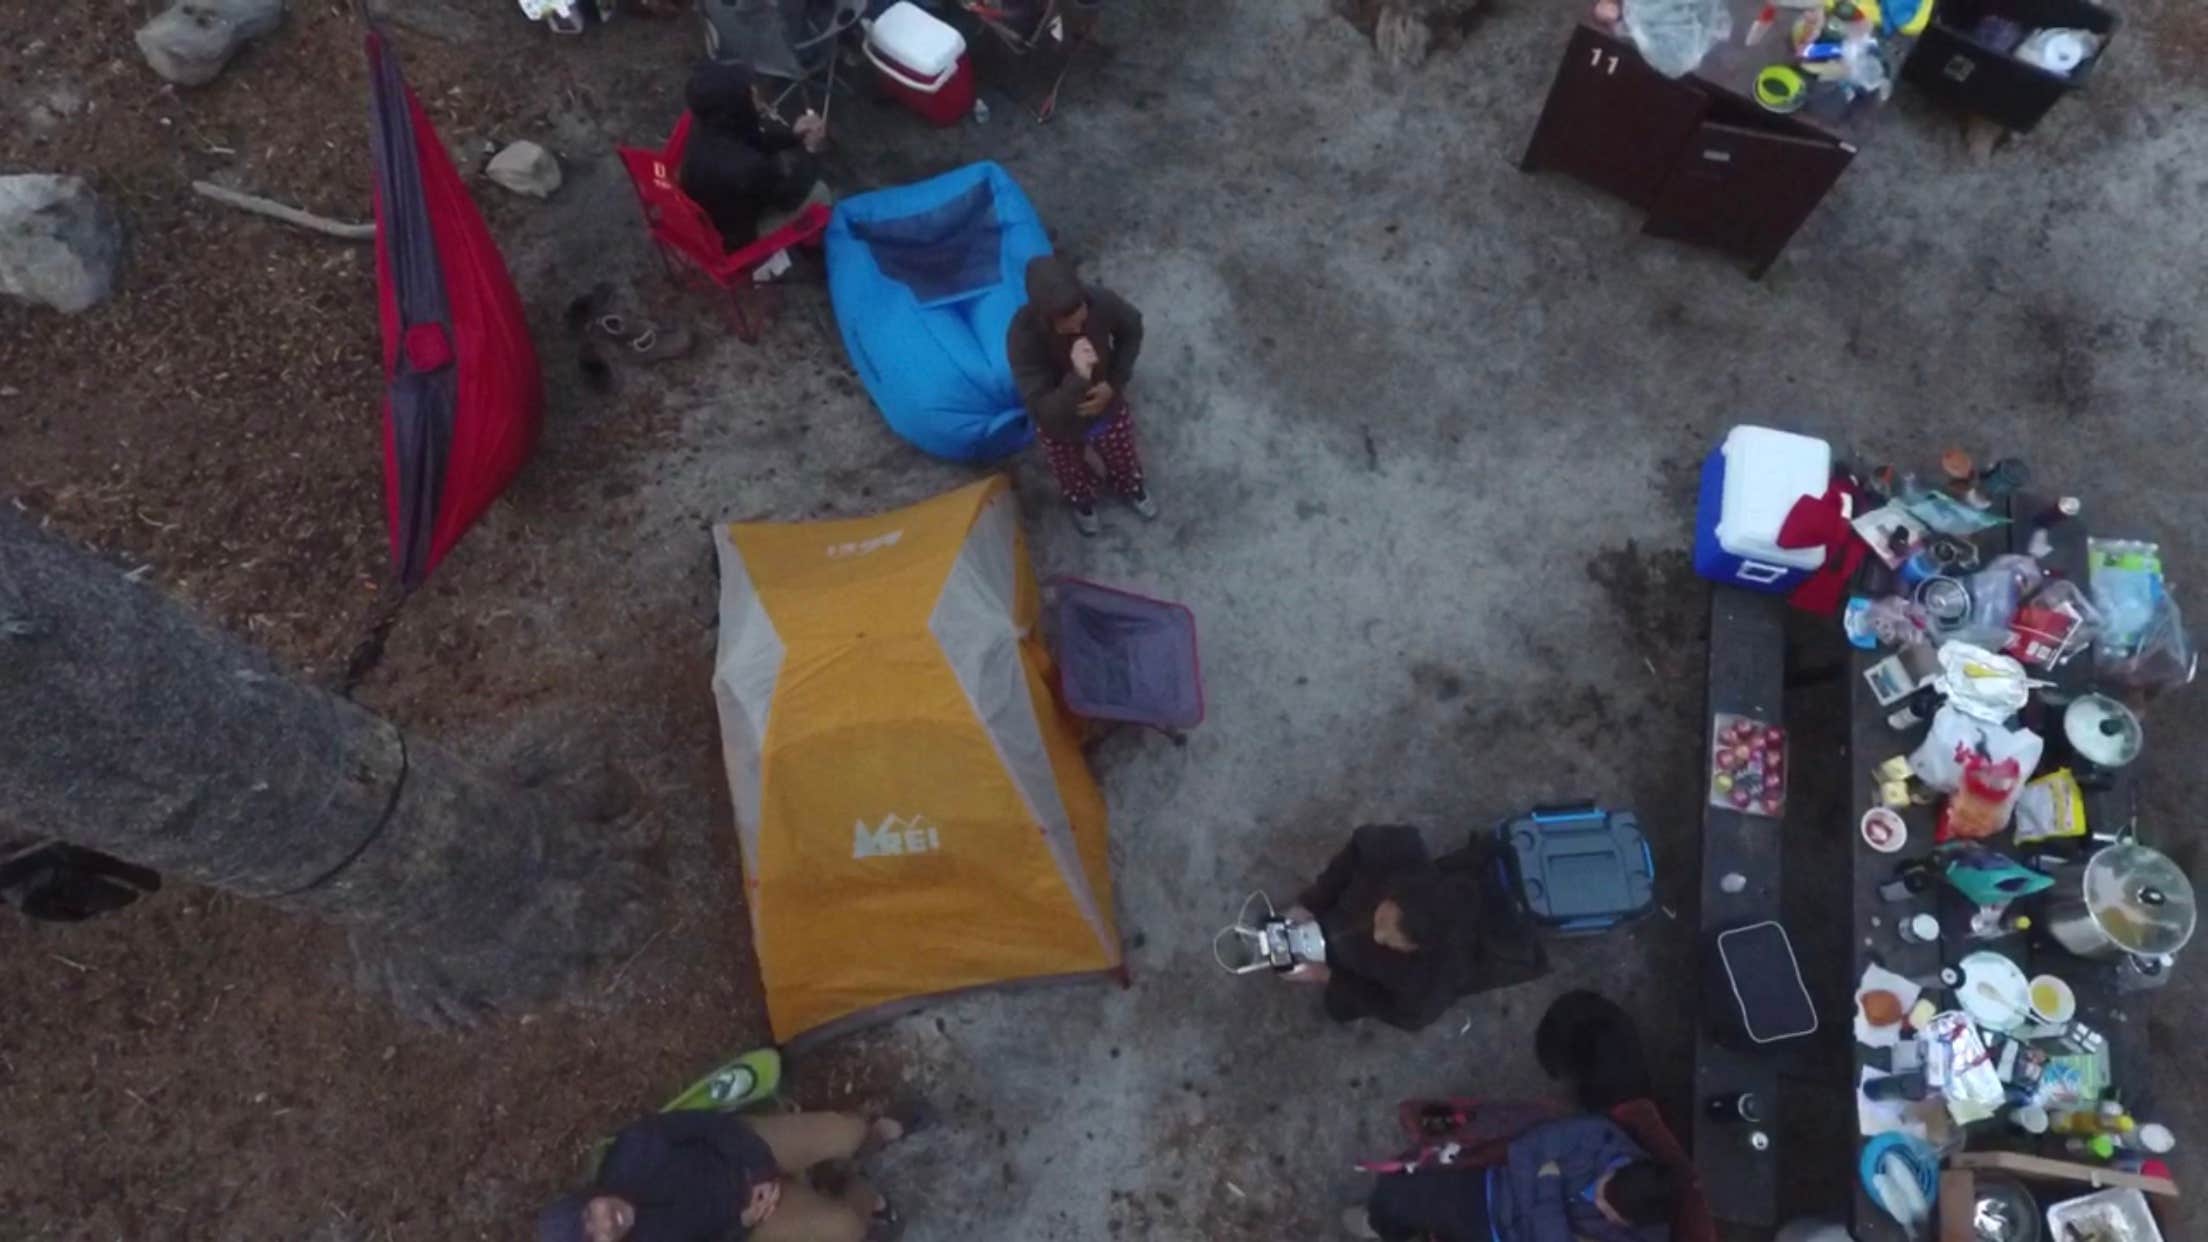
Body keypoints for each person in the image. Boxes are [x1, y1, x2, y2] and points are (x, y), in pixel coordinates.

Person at [1283, 824, 1547, 1032]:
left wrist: (1330, 978)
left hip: (1377, 972)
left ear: (1418, 947)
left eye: (1390, 940)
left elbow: (1409, 1017)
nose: (1378, 935)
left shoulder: (1432, 980)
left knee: (1339, 1007)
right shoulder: (1397, 855)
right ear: (1396, 894)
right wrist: (1312, 903)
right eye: (1381, 919)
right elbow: (1361, 843)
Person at [537, 1104, 925, 1242]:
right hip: (751, 1215)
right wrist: (743, 1223)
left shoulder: (636, 1148)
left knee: (849, 1131)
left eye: (589, 1214)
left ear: (589, 1196)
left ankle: (872, 1135)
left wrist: (758, 1170)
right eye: (592, 1239)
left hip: (745, 1148)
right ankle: (849, 1185)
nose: (605, 1223)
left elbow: (708, 1125)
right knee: (849, 1229)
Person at [1348, 1115, 1680, 1242]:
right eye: (1605, 1188)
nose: (1598, 1201)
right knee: (1392, 1195)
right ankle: (1386, 1229)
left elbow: (1536, 1165)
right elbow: (1524, 1151)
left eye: (1608, 1211)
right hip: (1491, 1194)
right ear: (1620, 1166)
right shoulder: (1599, 1138)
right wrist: (1553, 1226)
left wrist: (1548, 1183)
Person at [1006, 255, 1153, 536]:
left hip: (1106, 408)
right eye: (1067, 326)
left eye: (1081, 320)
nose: (1077, 330)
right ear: (1045, 318)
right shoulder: (1023, 337)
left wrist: (1113, 383)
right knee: (1069, 470)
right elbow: (1041, 408)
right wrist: (1078, 379)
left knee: (1122, 454)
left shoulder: (1100, 302)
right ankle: (1082, 500)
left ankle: (1130, 485)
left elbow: (1132, 327)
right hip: (1060, 426)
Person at [678, 61, 831, 251]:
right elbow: (790, 198)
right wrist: (810, 150)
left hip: (709, 209)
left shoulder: (709, 125)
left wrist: (793, 136)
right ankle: (814, 246)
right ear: (735, 105)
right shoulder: (747, 167)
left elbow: (750, 137)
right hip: (733, 238)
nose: (756, 92)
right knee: (820, 192)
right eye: (749, 92)